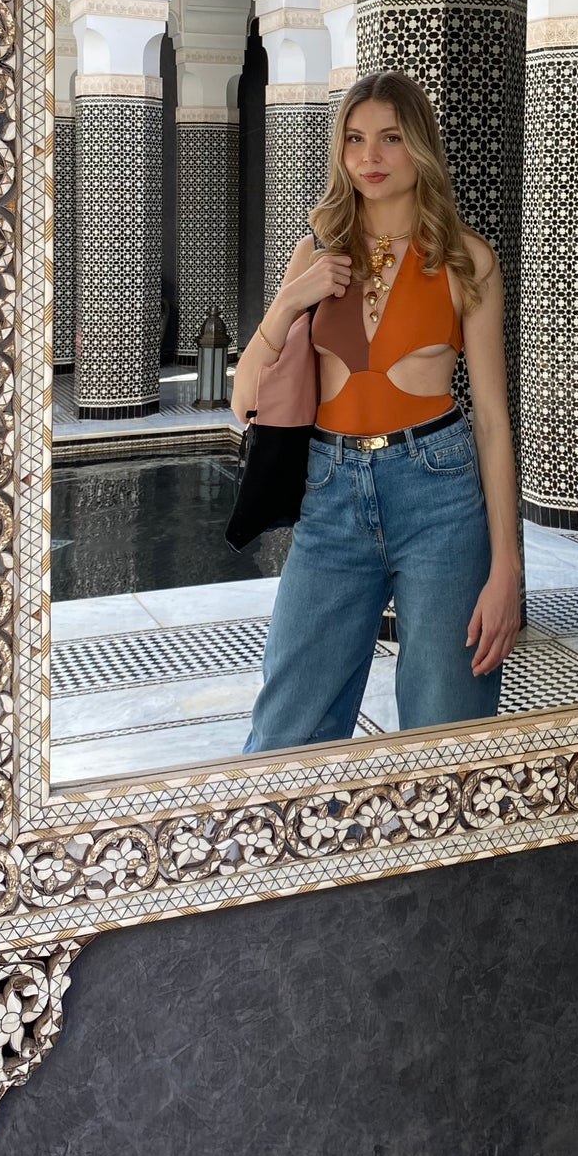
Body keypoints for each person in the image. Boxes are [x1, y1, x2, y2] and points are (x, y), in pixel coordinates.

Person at [234, 69, 521, 751]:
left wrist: (507, 566)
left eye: (390, 138)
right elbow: (245, 395)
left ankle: (443, 864)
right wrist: (289, 300)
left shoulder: (466, 259)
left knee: (446, 725)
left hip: (440, 494)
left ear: (418, 146)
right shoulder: (315, 251)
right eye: (355, 139)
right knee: (285, 732)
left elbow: (490, 420)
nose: (370, 156)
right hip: (330, 495)